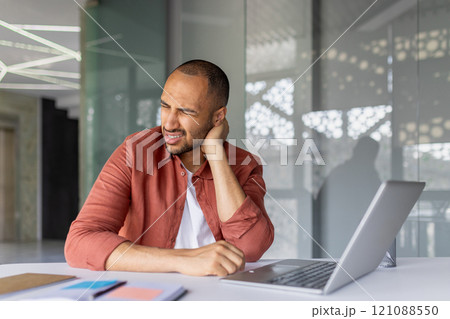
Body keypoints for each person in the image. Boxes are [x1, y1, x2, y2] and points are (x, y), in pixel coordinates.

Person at [65, 60, 274, 276]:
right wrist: (184, 260)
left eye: (185, 112)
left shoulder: (245, 164)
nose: (169, 124)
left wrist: (216, 154)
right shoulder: (136, 152)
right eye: (165, 106)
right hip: (149, 295)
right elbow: (80, 242)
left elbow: (250, 247)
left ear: (218, 117)